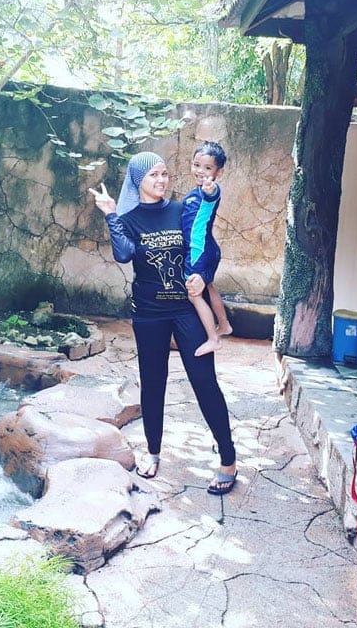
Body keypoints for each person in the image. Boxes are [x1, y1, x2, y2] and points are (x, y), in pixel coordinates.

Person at [89, 151, 237, 495]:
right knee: (153, 385)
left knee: (205, 383)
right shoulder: (128, 219)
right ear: (138, 180)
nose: (161, 180)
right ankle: (153, 453)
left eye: (165, 174)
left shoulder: (180, 210)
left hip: (186, 310)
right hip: (149, 314)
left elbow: (204, 243)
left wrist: (202, 275)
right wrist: (111, 214)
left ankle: (228, 459)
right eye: (153, 175)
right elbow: (124, 254)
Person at [182, 141, 233, 356]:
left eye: (208, 168)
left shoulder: (209, 191)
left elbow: (211, 194)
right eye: (196, 165)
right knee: (208, 287)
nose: (200, 171)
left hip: (199, 253)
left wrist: (209, 190)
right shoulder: (195, 192)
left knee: (194, 294)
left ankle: (213, 339)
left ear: (218, 172)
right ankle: (224, 325)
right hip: (209, 249)